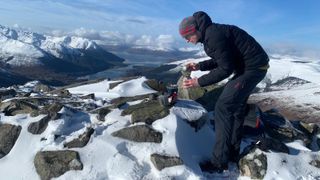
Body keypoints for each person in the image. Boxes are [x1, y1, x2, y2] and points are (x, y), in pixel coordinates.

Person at [179, 11, 269, 173]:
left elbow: (225, 69)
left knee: (223, 107)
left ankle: (219, 162)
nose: (187, 40)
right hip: (250, 67)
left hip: (252, 68)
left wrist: (198, 82)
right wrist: (199, 66)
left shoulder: (212, 35)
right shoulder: (210, 33)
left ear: (195, 30)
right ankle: (232, 153)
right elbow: (221, 58)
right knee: (235, 108)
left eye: (187, 36)